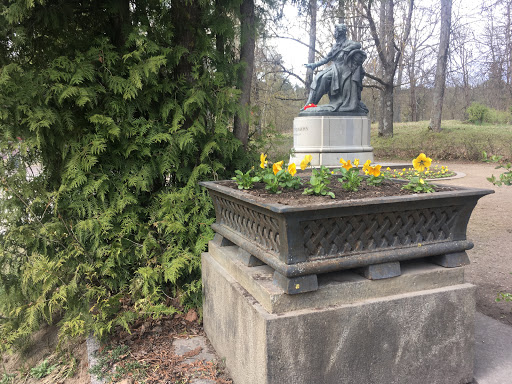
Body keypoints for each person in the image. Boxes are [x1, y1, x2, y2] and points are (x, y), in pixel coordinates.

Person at [302, 23, 368, 114]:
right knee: (319, 77)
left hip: (344, 69)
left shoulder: (348, 43)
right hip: (335, 68)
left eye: (336, 31)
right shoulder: (335, 46)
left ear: (340, 33)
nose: (334, 33)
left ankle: (312, 103)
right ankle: (310, 103)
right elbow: (326, 58)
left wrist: (346, 49)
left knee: (325, 78)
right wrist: (315, 65)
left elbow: (358, 45)